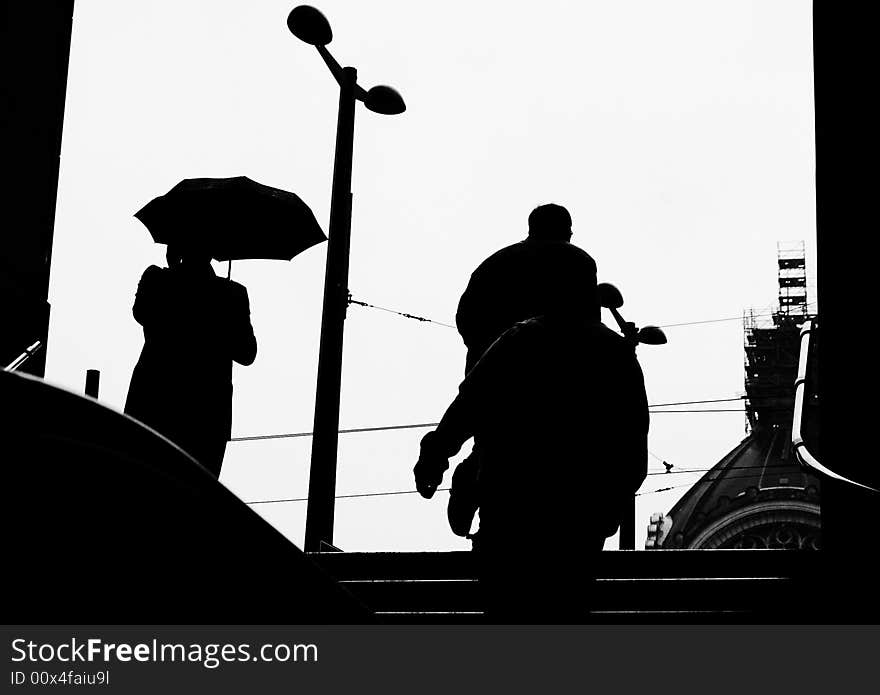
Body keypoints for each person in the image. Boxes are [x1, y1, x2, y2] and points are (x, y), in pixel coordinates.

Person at [415, 274, 648, 622]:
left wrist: (435, 455)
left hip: (511, 517)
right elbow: (633, 446)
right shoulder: (616, 354)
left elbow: (470, 405)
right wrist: (607, 509)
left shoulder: (518, 341)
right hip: (580, 526)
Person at [124, 245, 257, 477]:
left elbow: (141, 312)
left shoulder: (158, 280)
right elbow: (247, 352)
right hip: (207, 416)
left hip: (154, 405)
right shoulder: (232, 294)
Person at [456, 203, 598, 373]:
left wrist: (489, 351)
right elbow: (589, 324)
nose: (571, 234)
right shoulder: (577, 261)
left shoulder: (495, 262)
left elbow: (466, 317)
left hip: (488, 374)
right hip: (553, 372)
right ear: (565, 229)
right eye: (569, 229)